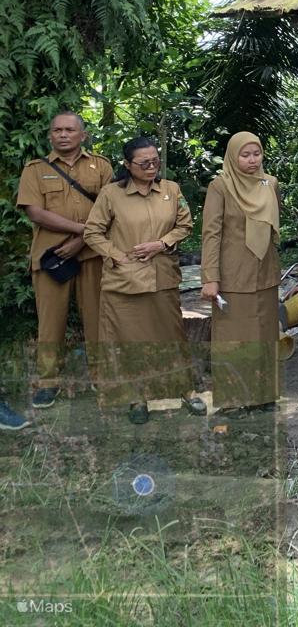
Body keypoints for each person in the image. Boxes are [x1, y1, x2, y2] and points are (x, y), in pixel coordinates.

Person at [82, 137, 203, 424]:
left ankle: (185, 390)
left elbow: (185, 225)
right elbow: (92, 233)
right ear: (127, 165)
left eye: (155, 161)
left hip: (162, 278)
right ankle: (138, 398)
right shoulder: (112, 194)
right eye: (144, 163)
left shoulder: (170, 190)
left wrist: (161, 243)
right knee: (131, 342)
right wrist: (117, 257)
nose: (151, 167)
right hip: (124, 283)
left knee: (171, 337)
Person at [17, 112, 113, 407]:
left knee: (97, 321)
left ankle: (101, 378)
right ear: (50, 135)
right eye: (57, 129)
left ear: (82, 135)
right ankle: (48, 382)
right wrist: (81, 231)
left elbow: (112, 211)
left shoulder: (101, 166)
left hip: (93, 256)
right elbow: (36, 212)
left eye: (69, 130)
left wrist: (81, 242)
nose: (63, 134)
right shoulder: (34, 170)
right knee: (50, 324)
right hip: (51, 258)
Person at [200, 132, 281, 417]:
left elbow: (272, 227)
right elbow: (211, 233)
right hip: (232, 274)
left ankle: (264, 395)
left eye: (256, 154)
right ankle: (233, 398)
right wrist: (210, 277)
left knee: (264, 334)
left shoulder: (270, 183)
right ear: (233, 157)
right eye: (244, 155)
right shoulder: (220, 186)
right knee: (233, 338)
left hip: (265, 272)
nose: (251, 160)